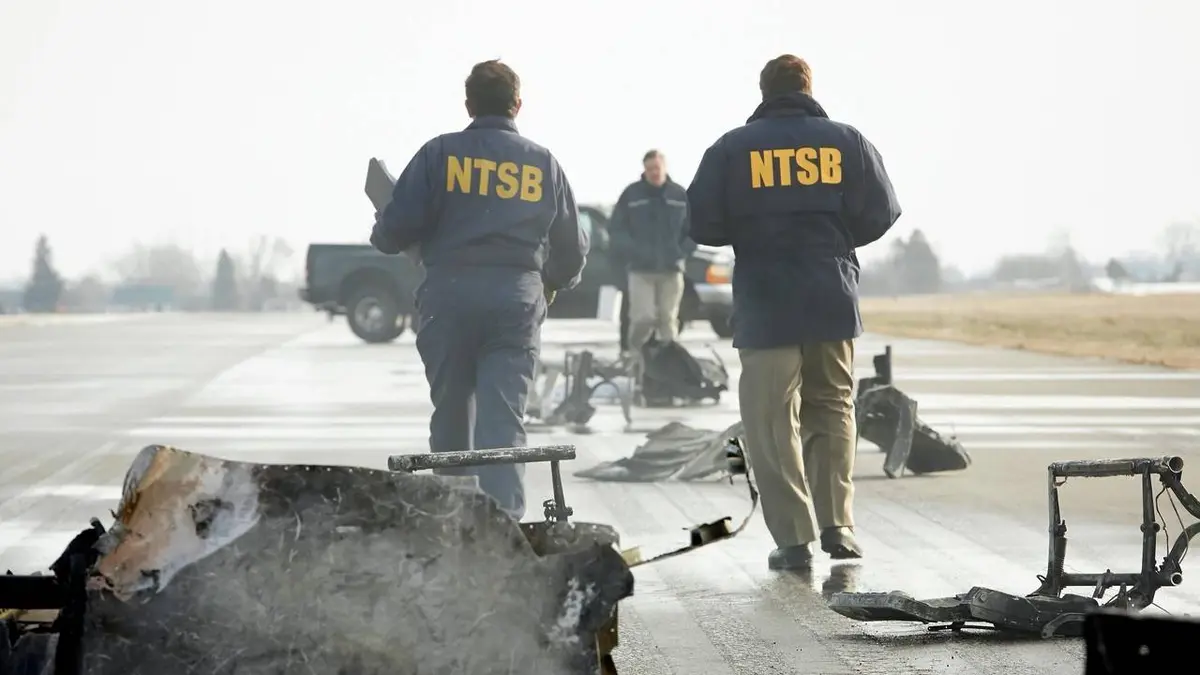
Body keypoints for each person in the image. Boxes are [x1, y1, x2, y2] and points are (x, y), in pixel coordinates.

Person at [686, 55, 901, 570]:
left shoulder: (732, 148)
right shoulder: (846, 142)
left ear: (763, 92)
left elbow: (701, 224)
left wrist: (752, 230)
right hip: (830, 292)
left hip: (766, 298)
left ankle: (794, 538)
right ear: (808, 88)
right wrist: (835, 242)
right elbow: (882, 211)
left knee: (770, 418)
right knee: (833, 405)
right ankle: (839, 525)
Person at [369, 59, 589, 519]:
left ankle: (452, 521)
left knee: (451, 413)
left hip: (448, 298)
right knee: (502, 420)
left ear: (468, 105)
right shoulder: (542, 163)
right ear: (517, 105)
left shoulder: (438, 154)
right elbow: (572, 249)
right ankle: (503, 526)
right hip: (515, 301)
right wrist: (549, 284)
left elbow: (396, 231)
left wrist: (384, 226)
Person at [608, 150, 695, 354]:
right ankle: (635, 356)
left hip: (671, 269)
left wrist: (681, 251)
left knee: (668, 319)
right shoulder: (632, 195)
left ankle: (667, 362)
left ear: (664, 167)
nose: (654, 172)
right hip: (641, 270)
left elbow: (694, 229)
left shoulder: (679, 195)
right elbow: (616, 229)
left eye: (657, 168)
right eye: (650, 169)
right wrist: (634, 250)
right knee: (643, 318)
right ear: (644, 170)